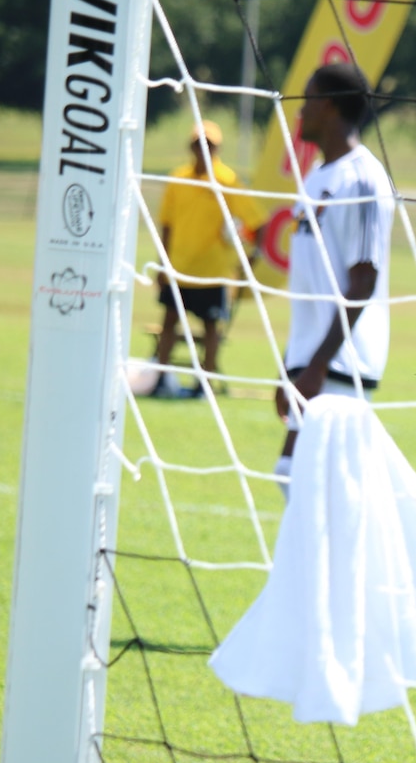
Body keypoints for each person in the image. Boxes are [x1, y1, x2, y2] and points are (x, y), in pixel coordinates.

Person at [274, 62, 396, 497]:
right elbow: (311, 285)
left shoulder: (363, 178)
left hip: (342, 363)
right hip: (312, 361)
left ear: (327, 107)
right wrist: (289, 365)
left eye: (306, 102)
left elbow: (362, 281)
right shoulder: (316, 177)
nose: (300, 113)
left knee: (320, 485)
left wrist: (319, 363)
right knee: (293, 473)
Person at [153, 119, 267, 397]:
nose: (203, 149)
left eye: (209, 144)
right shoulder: (177, 178)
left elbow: (258, 222)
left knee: (211, 328)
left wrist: (252, 258)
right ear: (190, 146)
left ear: (218, 148)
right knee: (168, 322)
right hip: (179, 267)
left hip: (212, 270)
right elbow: (166, 224)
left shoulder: (228, 180)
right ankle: (160, 380)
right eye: (198, 143)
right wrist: (162, 261)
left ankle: (204, 384)